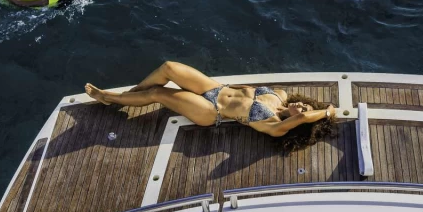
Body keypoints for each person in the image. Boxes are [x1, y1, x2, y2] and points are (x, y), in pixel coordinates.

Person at [85, 61, 336, 152]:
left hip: (210, 111)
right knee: (169, 68)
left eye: (303, 111)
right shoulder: (280, 96)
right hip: (215, 89)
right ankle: (130, 96)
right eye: (305, 105)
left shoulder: (276, 126)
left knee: (158, 92)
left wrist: (326, 112)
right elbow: (302, 114)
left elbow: (303, 119)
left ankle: (111, 98)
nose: (302, 107)